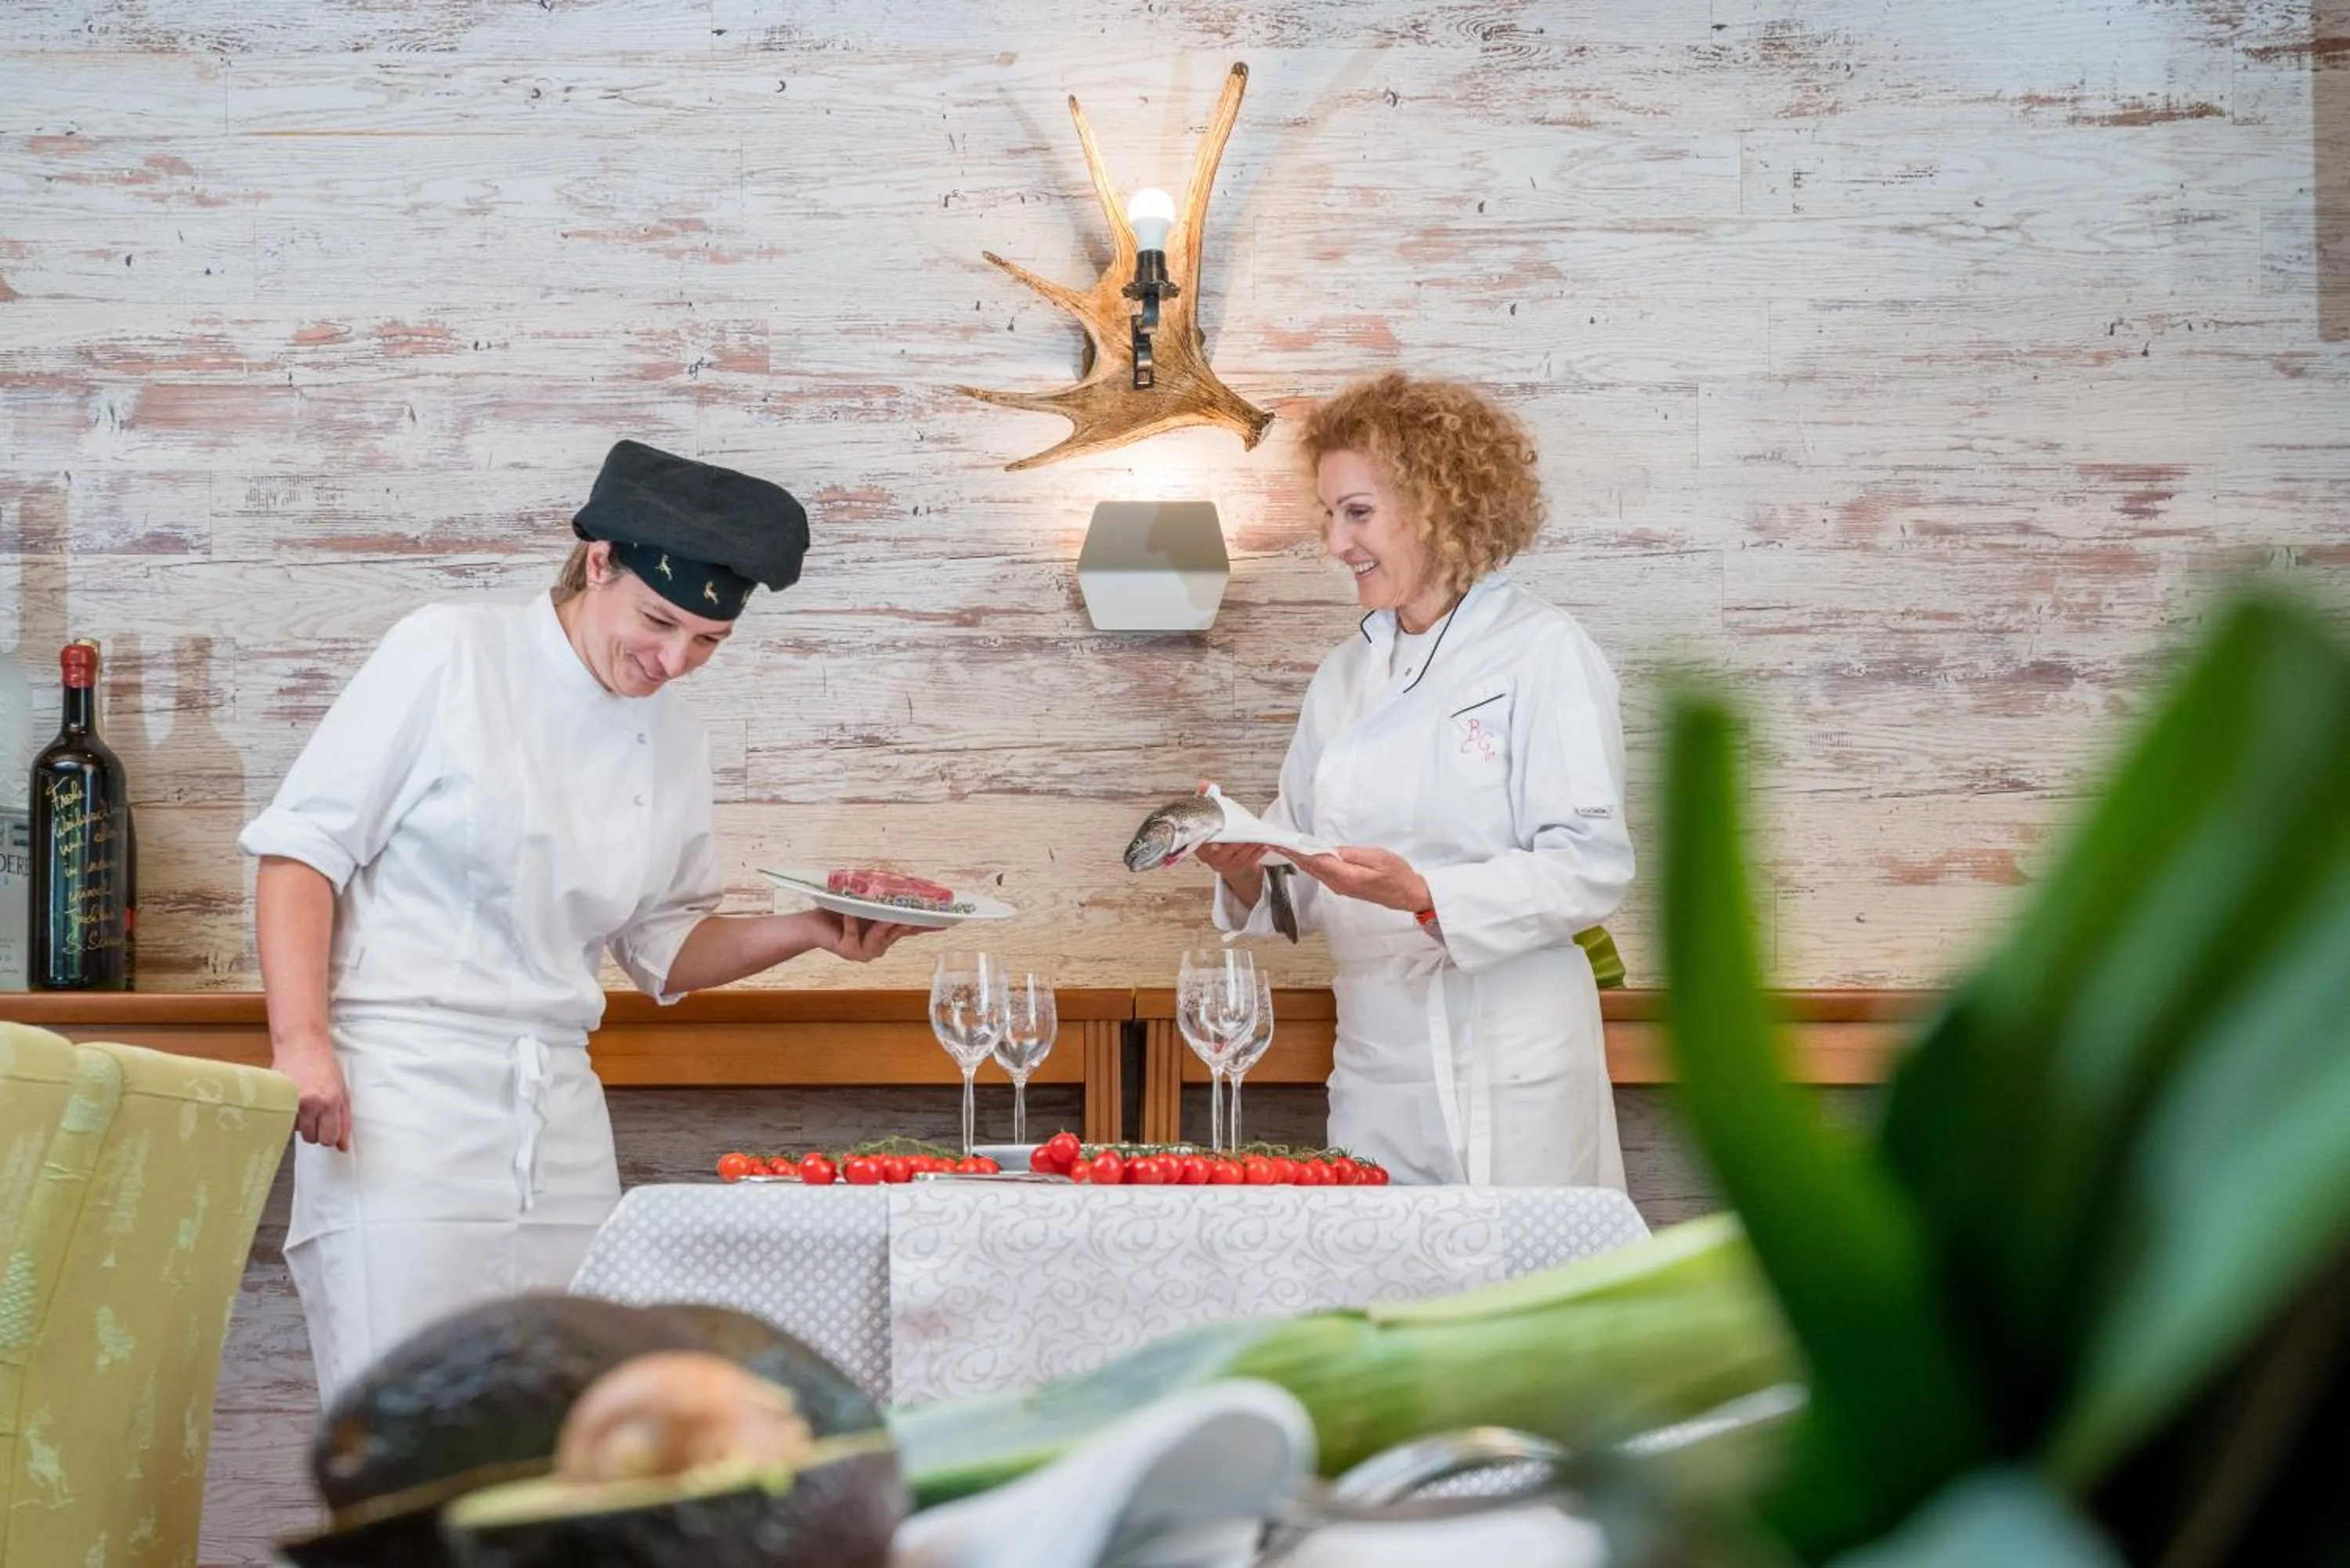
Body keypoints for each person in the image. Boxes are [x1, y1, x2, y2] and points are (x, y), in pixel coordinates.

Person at [240, 440, 925, 1404]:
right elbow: (302, 852)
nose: (674, 661)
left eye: (708, 642)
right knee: (407, 1415)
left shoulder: (674, 735)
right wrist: (301, 1044)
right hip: (402, 1100)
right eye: (660, 621)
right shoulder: (451, 651)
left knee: (569, 1421)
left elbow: (663, 946)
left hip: (560, 1109)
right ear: (599, 562)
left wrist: (812, 926)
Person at [1198, 374, 1633, 1188]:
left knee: (1511, 1270)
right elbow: (1305, 870)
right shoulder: (1343, 676)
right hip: (1374, 1059)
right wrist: (1245, 865)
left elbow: (1590, 864)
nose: (1336, 543)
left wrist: (1427, 895)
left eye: (1358, 512)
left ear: (1440, 506)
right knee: (1380, 1263)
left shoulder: (1542, 650)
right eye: (1330, 514)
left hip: (1510, 1058)